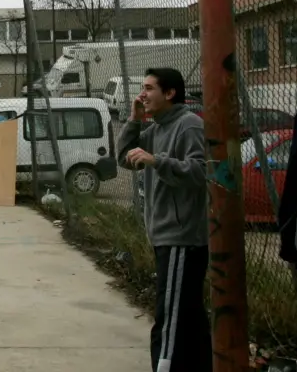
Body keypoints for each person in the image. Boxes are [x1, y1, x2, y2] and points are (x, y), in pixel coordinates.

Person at [116, 67, 211, 372]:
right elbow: (124, 159)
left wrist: (157, 161)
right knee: (189, 316)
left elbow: (201, 171)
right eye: (142, 88)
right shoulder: (157, 129)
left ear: (169, 93)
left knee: (169, 318)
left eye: (149, 88)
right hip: (165, 237)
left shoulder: (188, 125)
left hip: (181, 238)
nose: (142, 95)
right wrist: (134, 120)